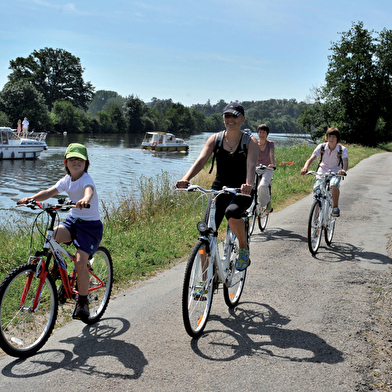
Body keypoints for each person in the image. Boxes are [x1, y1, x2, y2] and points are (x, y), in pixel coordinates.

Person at [18, 143, 103, 322]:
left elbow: (89, 191)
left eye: (80, 159)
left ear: (86, 163)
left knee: (80, 262)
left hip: (90, 226)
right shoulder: (66, 180)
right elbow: (49, 192)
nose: (76, 162)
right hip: (74, 221)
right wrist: (31, 198)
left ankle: (82, 301)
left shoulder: (86, 179)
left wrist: (85, 199)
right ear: (65, 162)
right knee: (53, 236)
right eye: (72, 159)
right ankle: (58, 268)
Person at [177, 102, 259, 271]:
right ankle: (204, 284)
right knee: (206, 235)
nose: (230, 119)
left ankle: (243, 247)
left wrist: (248, 184)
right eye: (227, 116)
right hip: (219, 189)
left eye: (234, 116)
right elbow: (201, 160)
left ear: (242, 119)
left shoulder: (250, 142)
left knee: (232, 212)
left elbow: (251, 166)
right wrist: (186, 178)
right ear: (223, 119)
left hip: (242, 190)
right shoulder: (216, 139)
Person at [300, 127, 348, 217]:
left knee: (333, 184)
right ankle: (315, 222)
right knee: (317, 195)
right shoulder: (321, 147)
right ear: (326, 137)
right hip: (322, 171)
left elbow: (345, 162)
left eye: (333, 137)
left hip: (336, 172)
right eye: (329, 136)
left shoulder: (342, 149)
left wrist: (343, 170)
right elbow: (311, 159)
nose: (331, 139)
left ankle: (335, 207)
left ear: (337, 138)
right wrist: (305, 168)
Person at [256, 124, 275, 213]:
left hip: (267, 168)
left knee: (262, 186)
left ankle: (268, 202)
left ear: (267, 134)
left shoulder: (270, 144)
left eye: (264, 132)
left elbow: (271, 154)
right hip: (256, 168)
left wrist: (272, 164)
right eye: (260, 132)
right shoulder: (254, 143)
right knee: (250, 187)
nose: (262, 134)